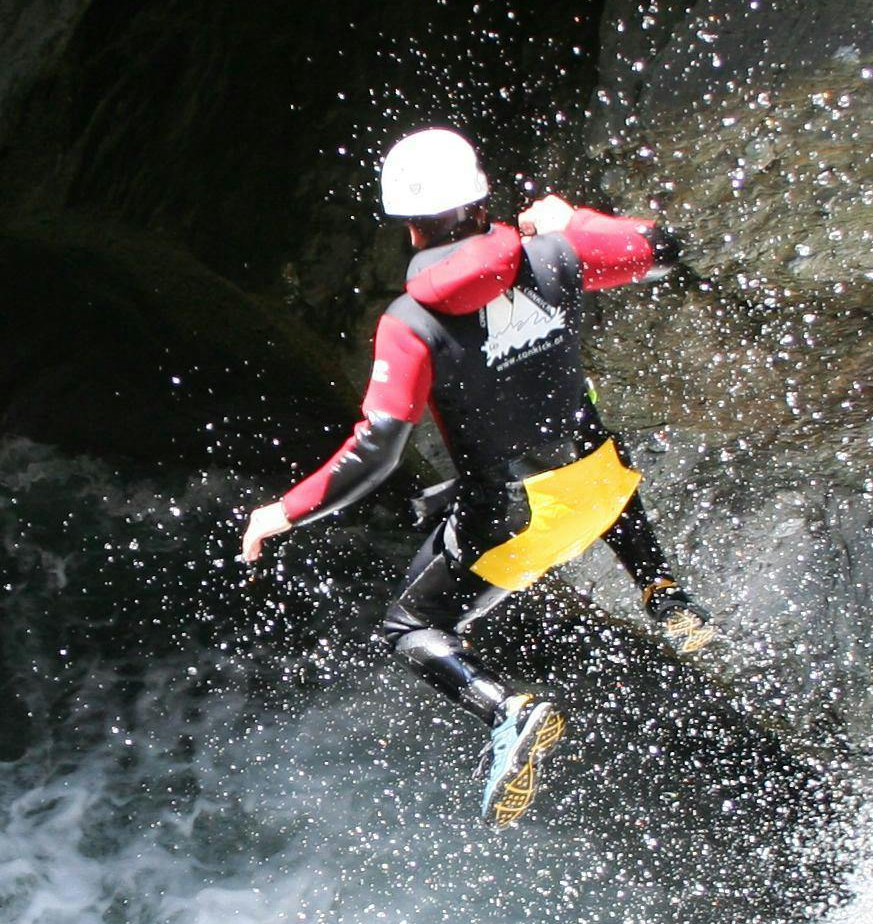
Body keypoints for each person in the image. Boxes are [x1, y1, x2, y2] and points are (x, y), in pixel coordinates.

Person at [240, 126, 719, 825]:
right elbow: (662, 250)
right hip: (607, 485)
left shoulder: (411, 321)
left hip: (520, 518)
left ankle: (508, 710)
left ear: (407, 226)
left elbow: (376, 450)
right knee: (581, 442)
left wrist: (282, 512)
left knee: (410, 625)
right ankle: (667, 597)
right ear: (479, 195)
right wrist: (574, 221)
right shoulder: (555, 252)